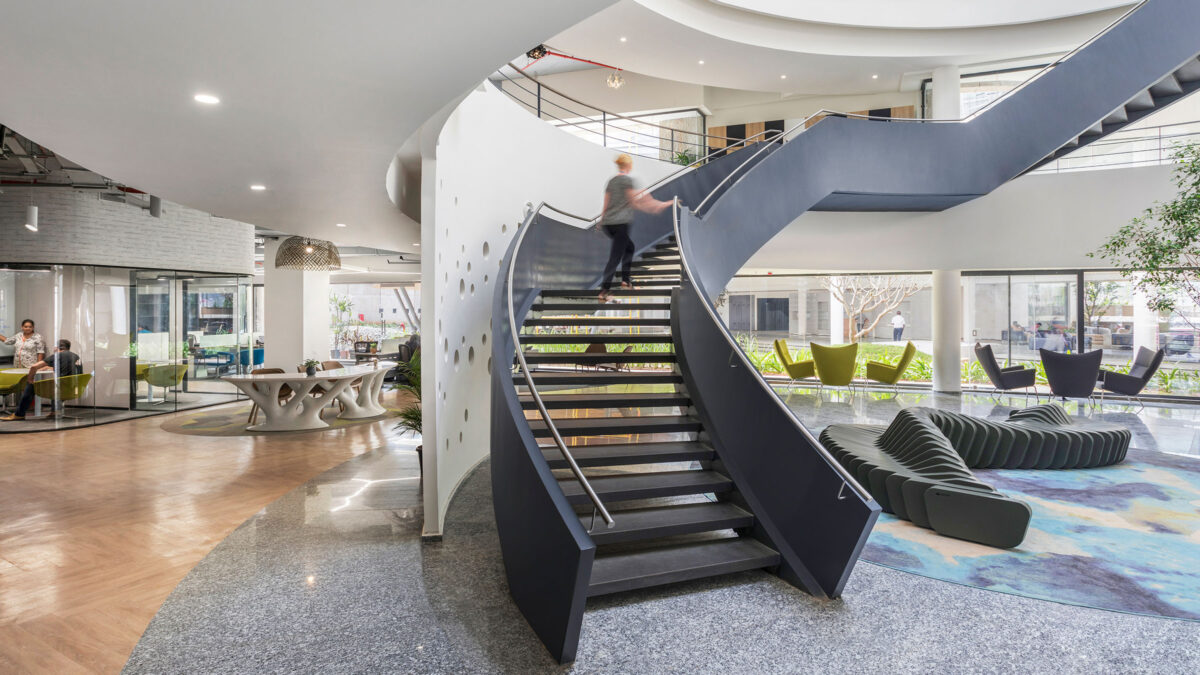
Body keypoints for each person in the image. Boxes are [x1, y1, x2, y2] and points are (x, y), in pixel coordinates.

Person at [596, 154, 672, 302]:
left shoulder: (611, 181)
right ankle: (604, 291)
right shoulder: (626, 180)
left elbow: (606, 203)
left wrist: (601, 220)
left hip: (609, 224)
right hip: (621, 223)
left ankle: (625, 280)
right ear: (628, 165)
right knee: (615, 256)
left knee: (629, 247)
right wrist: (654, 207)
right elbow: (634, 203)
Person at [2, 338, 81, 421]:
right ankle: (54, 412)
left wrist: (30, 379)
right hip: (74, 388)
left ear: (56, 347)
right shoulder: (75, 356)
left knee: (31, 386)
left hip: (61, 389)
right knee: (56, 383)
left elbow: (34, 367)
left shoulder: (57, 355)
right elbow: (65, 369)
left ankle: (19, 414)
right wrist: (49, 367)